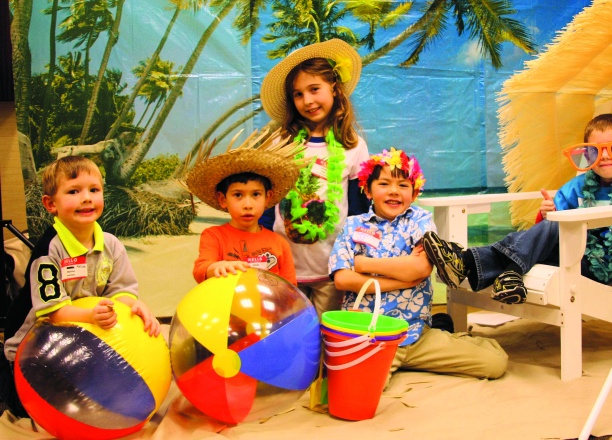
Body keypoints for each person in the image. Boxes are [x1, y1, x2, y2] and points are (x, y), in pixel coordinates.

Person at [423, 113, 612, 304]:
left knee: (556, 225)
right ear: (587, 154)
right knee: (554, 223)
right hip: (567, 258)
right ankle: (510, 275)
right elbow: (541, 232)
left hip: (600, 272)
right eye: (596, 150)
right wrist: (545, 212)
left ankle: (466, 262)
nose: (605, 156)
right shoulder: (577, 186)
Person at [329, 148, 508, 385]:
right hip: (372, 338)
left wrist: (364, 264)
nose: (394, 191)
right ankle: (435, 334)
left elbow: (421, 269)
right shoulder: (352, 226)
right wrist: (402, 280)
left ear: (414, 194)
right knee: (358, 389)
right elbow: (343, 280)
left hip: (416, 335)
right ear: (368, 190)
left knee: (495, 362)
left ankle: (442, 334)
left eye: (403, 185)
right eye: (384, 183)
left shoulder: (419, 220)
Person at [0, 156, 161, 417]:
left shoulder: (111, 244)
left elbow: (120, 291)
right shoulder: (49, 250)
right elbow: (52, 311)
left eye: (93, 190)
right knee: (32, 409)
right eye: (74, 191)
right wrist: (90, 315)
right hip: (33, 341)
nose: (86, 198)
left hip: (80, 332)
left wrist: (134, 306)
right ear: (50, 204)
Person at [259, 39, 371, 318]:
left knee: (326, 338)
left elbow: (359, 211)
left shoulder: (353, 145)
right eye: (298, 95)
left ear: (334, 88)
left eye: (314, 89)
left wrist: (356, 259)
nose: (307, 101)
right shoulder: (280, 142)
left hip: (331, 268)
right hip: (283, 266)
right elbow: (265, 201)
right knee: (288, 334)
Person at [187, 128, 303, 285]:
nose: (248, 205)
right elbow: (201, 269)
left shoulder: (279, 244)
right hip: (227, 309)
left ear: (267, 198)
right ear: (222, 199)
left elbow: (290, 291)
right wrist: (216, 267)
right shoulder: (213, 236)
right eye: (238, 195)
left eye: (256, 194)